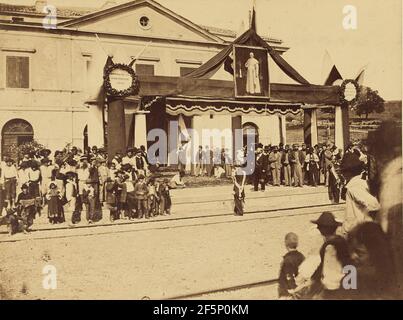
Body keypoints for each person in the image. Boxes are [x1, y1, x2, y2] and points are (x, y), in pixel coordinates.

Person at [347, 222, 398, 299]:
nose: (352, 256)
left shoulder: (389, 289)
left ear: (376, 255)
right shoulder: (356, 279)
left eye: (359, 252)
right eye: (351, 251)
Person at [340, 152, 380, 235]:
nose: (342, 174)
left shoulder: (353, 187)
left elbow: (374, 204)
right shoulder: (361, 183)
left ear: (347, 172)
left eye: (343, 171)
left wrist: (364, 223)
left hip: (356, 233)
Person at [278, 233, 305, 299]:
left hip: (288, 293)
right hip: (301, 291)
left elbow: (289, 277)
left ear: (286, 244)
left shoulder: (287, 260)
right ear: (297, 244)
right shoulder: (302, 257)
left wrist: (293, 291)